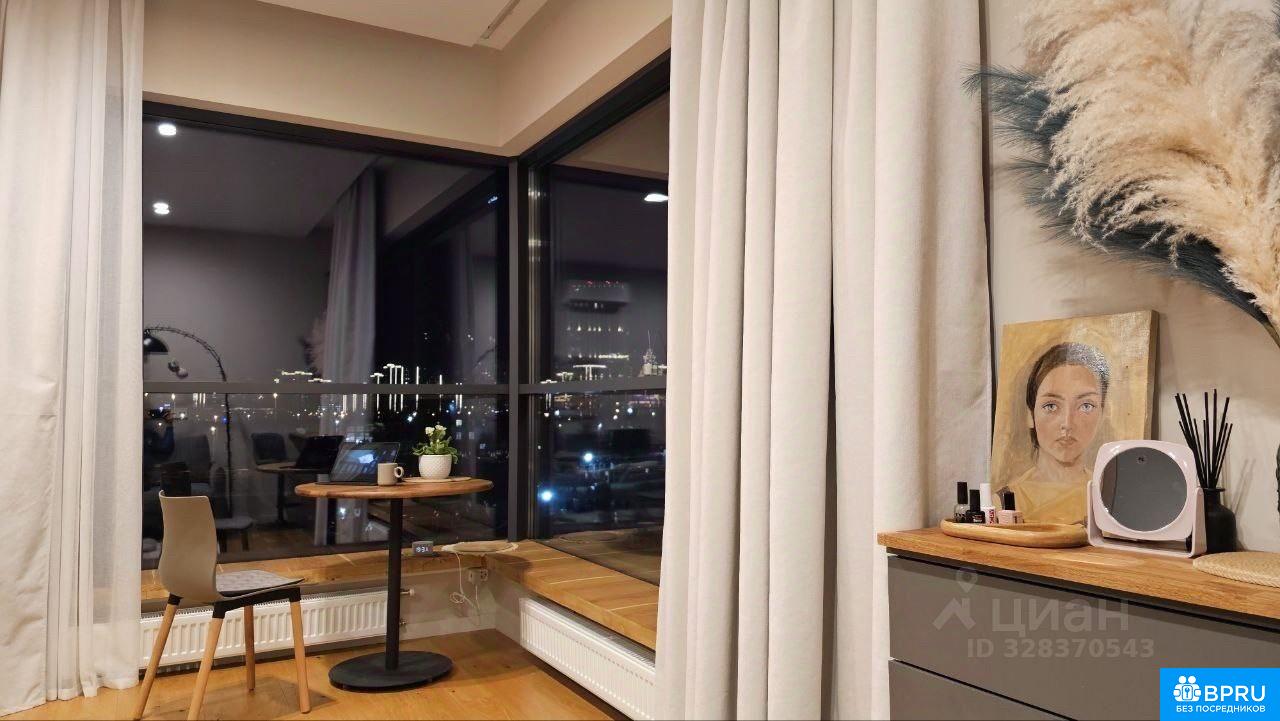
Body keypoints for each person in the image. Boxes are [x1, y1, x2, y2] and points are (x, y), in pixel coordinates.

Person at [1002, 342, 1110, 524]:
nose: (1067, 423)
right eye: (1051, 406)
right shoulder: (1005, 500)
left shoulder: (1110, 496)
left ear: (1102, 414)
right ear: (1030, 415)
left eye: (1085, 406)